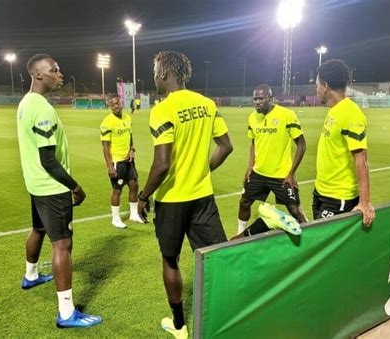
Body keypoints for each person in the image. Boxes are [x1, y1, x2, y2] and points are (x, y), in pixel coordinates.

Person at [137, 50, 233, 338]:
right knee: (216, 257)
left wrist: (142, 197)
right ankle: (227, 318)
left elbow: (162, 163)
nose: (154, 75)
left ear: (165, 73)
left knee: (170, 259)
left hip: (171, 201)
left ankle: (179, 326)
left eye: (155, 70)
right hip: (203, 196)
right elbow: (226, 146)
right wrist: (202, 171)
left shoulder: (162, 109)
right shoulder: (207, 104)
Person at [17, 54, 102, 328]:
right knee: (62, 245)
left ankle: (30, 275)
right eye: (54, 70)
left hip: (35, 184)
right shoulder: (40, 108)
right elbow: (49, 160)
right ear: (39, 75)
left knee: (38, 230)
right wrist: (75, 186)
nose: (60, 74)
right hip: (51, 187)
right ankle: (66, 313)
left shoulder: (25, 102)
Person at [236, 84, 308, 235]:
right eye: (255, 99)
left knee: (295, 209)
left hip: (281, 175)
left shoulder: (287, 115)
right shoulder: (252, 117)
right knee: (244, 202)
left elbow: (301, 145)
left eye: (261, 99)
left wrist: (291, 173)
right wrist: (250, 166)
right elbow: (254, 144)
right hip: (259, 172)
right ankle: (240, 234)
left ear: (270, 98)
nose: (257, 102)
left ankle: (311, 236)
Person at [314, 59, 375, 226]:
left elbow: (361, 158)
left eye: (317, 84)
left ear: (325, 86)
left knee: (324, 246)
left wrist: (365, 202)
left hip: (338, 196)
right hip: (321, 191)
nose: (316, 88)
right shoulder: (334, 110)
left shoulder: (351, 113)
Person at [100, 93, 144, 228]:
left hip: (128, 160)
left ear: (121, 103)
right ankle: (115, 218)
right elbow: (105, 147)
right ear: (109, 106)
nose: (116, 106)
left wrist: (132, 149)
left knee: (134, 186)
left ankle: (134, 214)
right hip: (117, 161)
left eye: (117, 103)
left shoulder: (127, 117)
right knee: (117, 190)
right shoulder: (107, 122)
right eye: (112, 104)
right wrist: (109, 166)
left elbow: (130, 136)